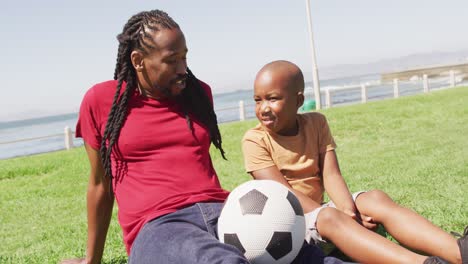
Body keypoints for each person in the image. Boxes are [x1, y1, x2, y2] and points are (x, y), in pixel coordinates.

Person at [61, 10, 348, 264]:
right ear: (138, 60)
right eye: (171, 61)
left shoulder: (197, 95)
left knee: (307, 257)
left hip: (225, 213)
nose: (182, 69)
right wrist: (91, 261)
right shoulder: (101, 101)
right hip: (158, 226)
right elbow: (100, 185)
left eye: (184, 56)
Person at [241, 60, 468, 264]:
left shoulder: (316, 123)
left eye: (273, 98)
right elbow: (286, 194)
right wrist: (343, 217)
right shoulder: (254, 140)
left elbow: (331, 175)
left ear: (299, 100)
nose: (263, 108)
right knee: (329, 216)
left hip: (322, 214)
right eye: (257, 100)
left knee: (374, 198)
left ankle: (459, 253)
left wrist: (350, 211)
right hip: (288, 228)